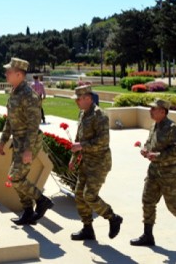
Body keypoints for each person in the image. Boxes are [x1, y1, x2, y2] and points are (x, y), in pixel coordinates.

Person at [130, 99, 176, 249]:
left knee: (173, 206)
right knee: (148, 201)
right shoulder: (154, 126)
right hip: (154, 172)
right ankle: (148, 235)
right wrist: (145, 149)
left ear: (163, 111)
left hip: (170, 173)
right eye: (150, 108)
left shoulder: (173, 128)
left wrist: (158, 155)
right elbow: (149, 142)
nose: (150, 111)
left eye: (154, 109)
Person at [0, 58, 53, 225]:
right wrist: (3, 141)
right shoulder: (15, 92)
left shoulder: (29, 95)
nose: (6, 73)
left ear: (19, 74)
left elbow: (33, 124)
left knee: (15, 178)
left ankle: (42, 200)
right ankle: (28, 212)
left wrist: (28, 150)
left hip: (28, 143)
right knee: (16, 178)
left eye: (9, 71)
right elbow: (10, 120)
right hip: (19, 142)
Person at [70, 85, 122, 241]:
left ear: (88, 98)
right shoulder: (82, 113)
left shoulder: (99, 115)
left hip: (99, 163)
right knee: (79, 195)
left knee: (90, 195)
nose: (76, 102)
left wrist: (82, 146)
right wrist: (74, 157)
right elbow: (79, 137)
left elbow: (103, 142)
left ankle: (112, 218)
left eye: (78, 99)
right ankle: (88, 229)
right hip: (86, 162)